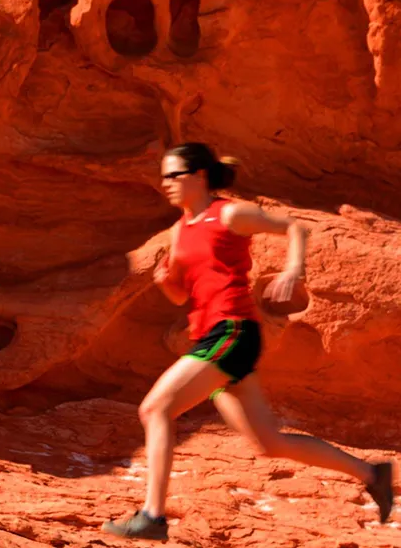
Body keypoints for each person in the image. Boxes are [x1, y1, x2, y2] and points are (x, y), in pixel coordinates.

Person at [102, 142, 394, 541]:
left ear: (199, 176)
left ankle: (152, 517)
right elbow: (181, 296)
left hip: (233, 332)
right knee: (268, 442)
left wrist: (294, 271)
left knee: (155, 409)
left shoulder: (230, 214)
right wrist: (165, 281)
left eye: (174, 175)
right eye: (164, 176)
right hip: (211, 336)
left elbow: (293, 226)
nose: (166, 183)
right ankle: (372, 473)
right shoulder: (178, 229)